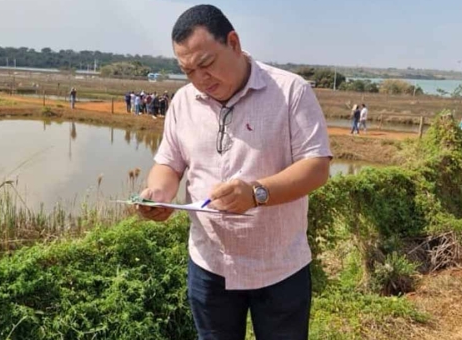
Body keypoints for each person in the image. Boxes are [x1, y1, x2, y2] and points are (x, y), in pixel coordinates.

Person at [136, 4, 331, 339]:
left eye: (206, 64)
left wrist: (257, 193)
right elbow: (169, 163)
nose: (200, 79)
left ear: (234, 43)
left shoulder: (290, 92)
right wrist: (158, 194)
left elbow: (316, 167)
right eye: (188, 72)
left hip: (279, 266)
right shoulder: (183, 102)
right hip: (210, 265)